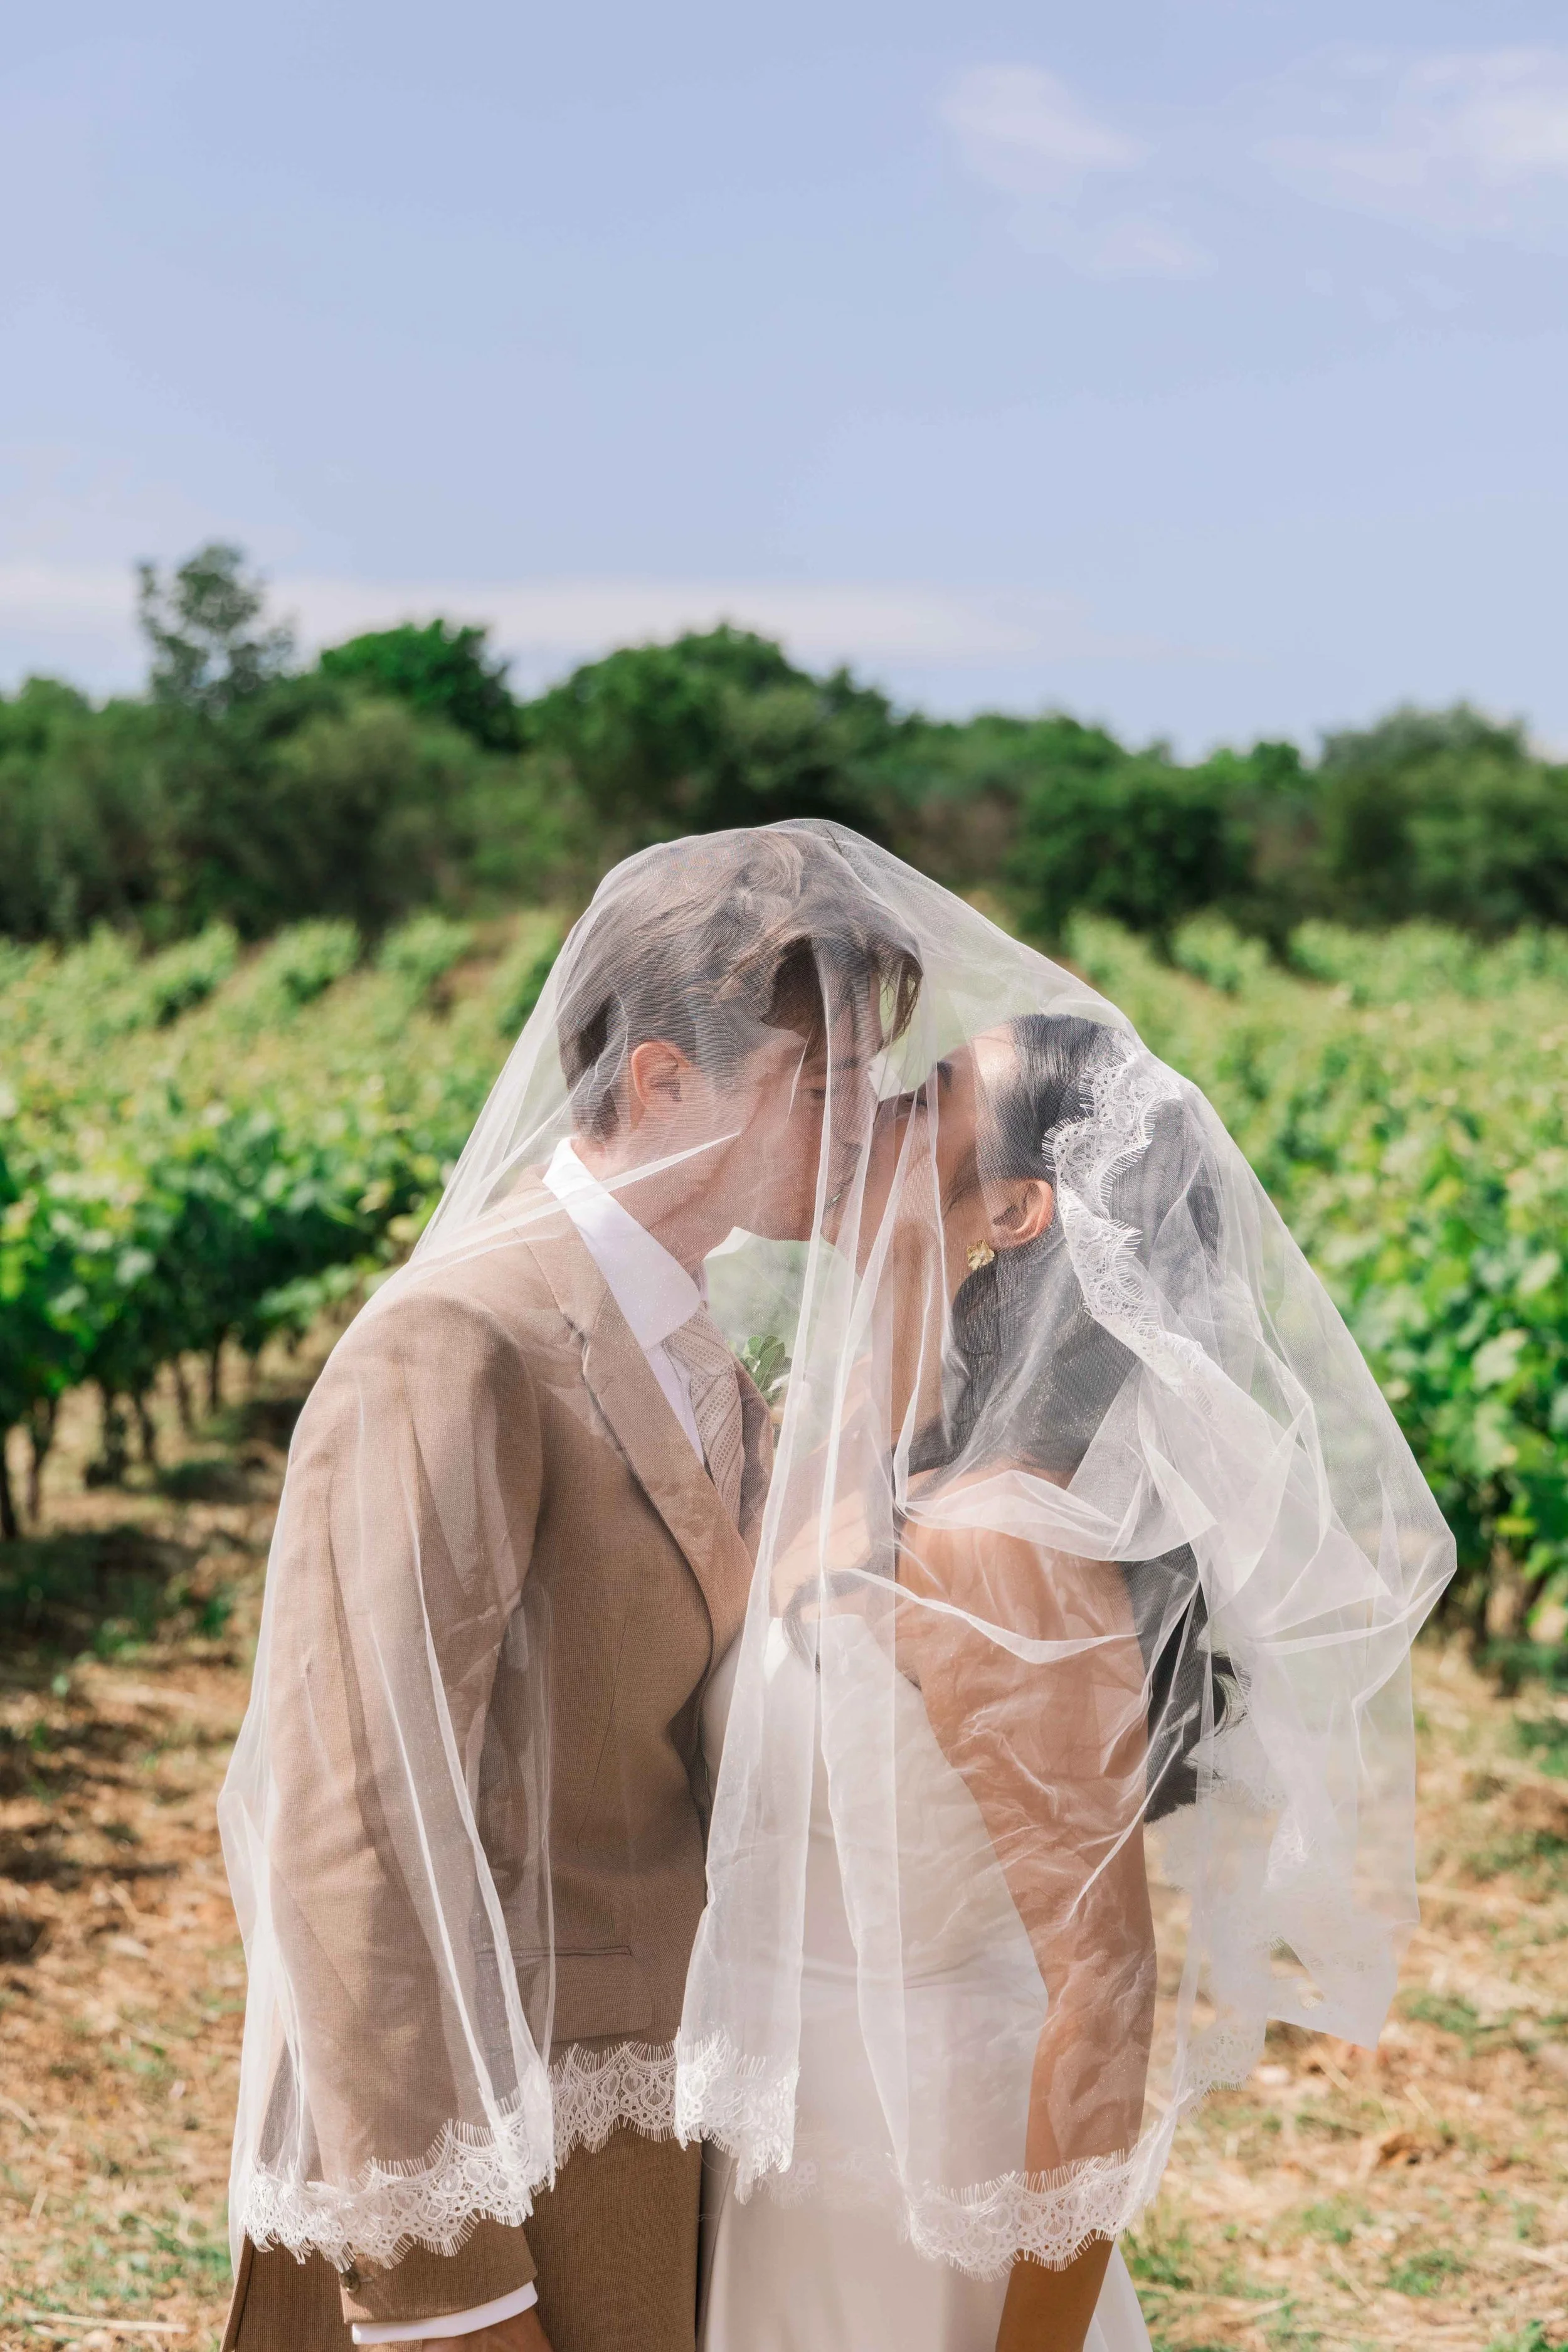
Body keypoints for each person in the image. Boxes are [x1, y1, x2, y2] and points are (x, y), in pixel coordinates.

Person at [217, 827, 920, 2352]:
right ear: (664, 1079)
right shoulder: (461, 1339)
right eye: (830, 1085)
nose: (869, 1124)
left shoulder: (692, 1336)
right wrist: (440, 2291)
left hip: (659, 2143)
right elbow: (352, 1830)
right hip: (506, 2166)